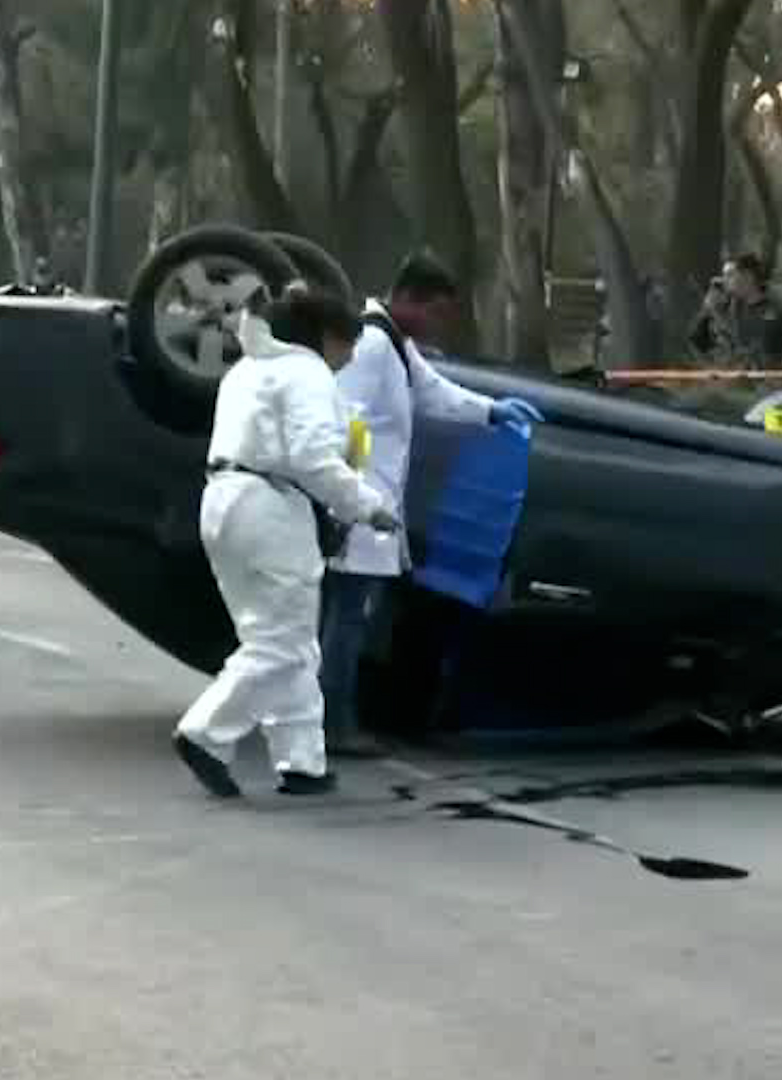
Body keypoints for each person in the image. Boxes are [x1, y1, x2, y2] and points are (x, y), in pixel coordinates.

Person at [173, 289, 399, 798]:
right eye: (347, 348)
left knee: (288, 640)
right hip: (271, 507)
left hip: (224, 502)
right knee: (280, 642)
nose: (346, 362)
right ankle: (205, 733)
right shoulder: (307, 373)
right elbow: (313, 457)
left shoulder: (247, 371)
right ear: (327, 339)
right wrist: (367, 505)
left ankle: (302, 762)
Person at [319, 254, 542, 758]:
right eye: (436, 312)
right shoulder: (371, 344)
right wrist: (346, 499)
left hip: (371, 507)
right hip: (355, 508)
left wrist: (490, 411)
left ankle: (333, 715)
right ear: (408, 300)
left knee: (351, 617)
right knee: (345, 619)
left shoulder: (397, 346)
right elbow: (343, 419)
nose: (439, 324)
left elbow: (433, 392)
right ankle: (334, 722)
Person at [689, 254, 782, 369]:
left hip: (771, 380)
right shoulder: (724, 309)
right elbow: (697, 340)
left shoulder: (779, 306)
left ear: (748, 276)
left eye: (730, 275)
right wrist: (707, 309)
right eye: (723, 275)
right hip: (734, 380)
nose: (723, 281)